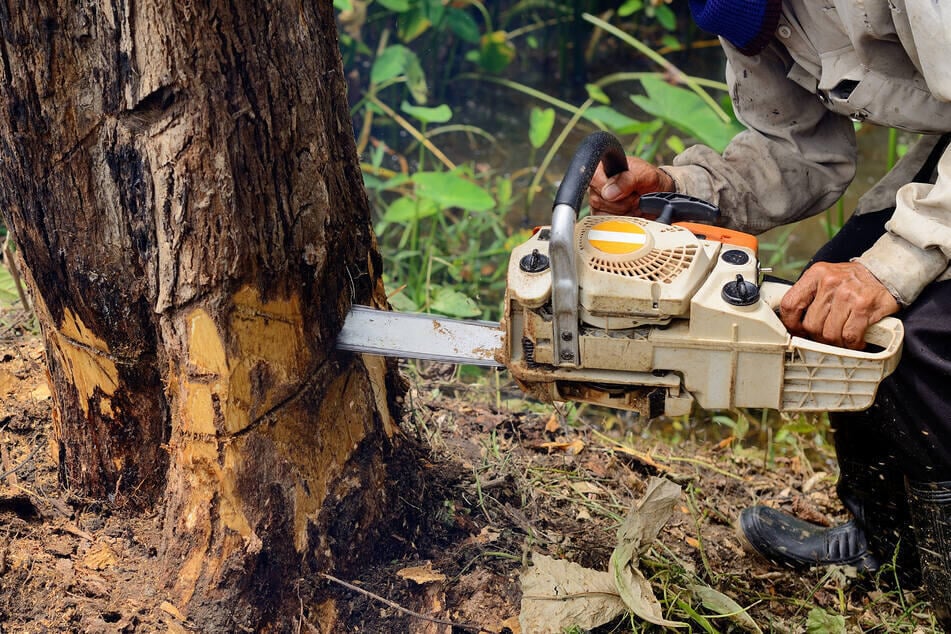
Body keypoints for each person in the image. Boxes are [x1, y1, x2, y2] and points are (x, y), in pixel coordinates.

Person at [588, 0, 951, 625]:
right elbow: (801, 151)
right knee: (832, 307)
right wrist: (680, 190)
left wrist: (891, 268)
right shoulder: (745, 16)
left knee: (920, 339)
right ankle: (892, 548)